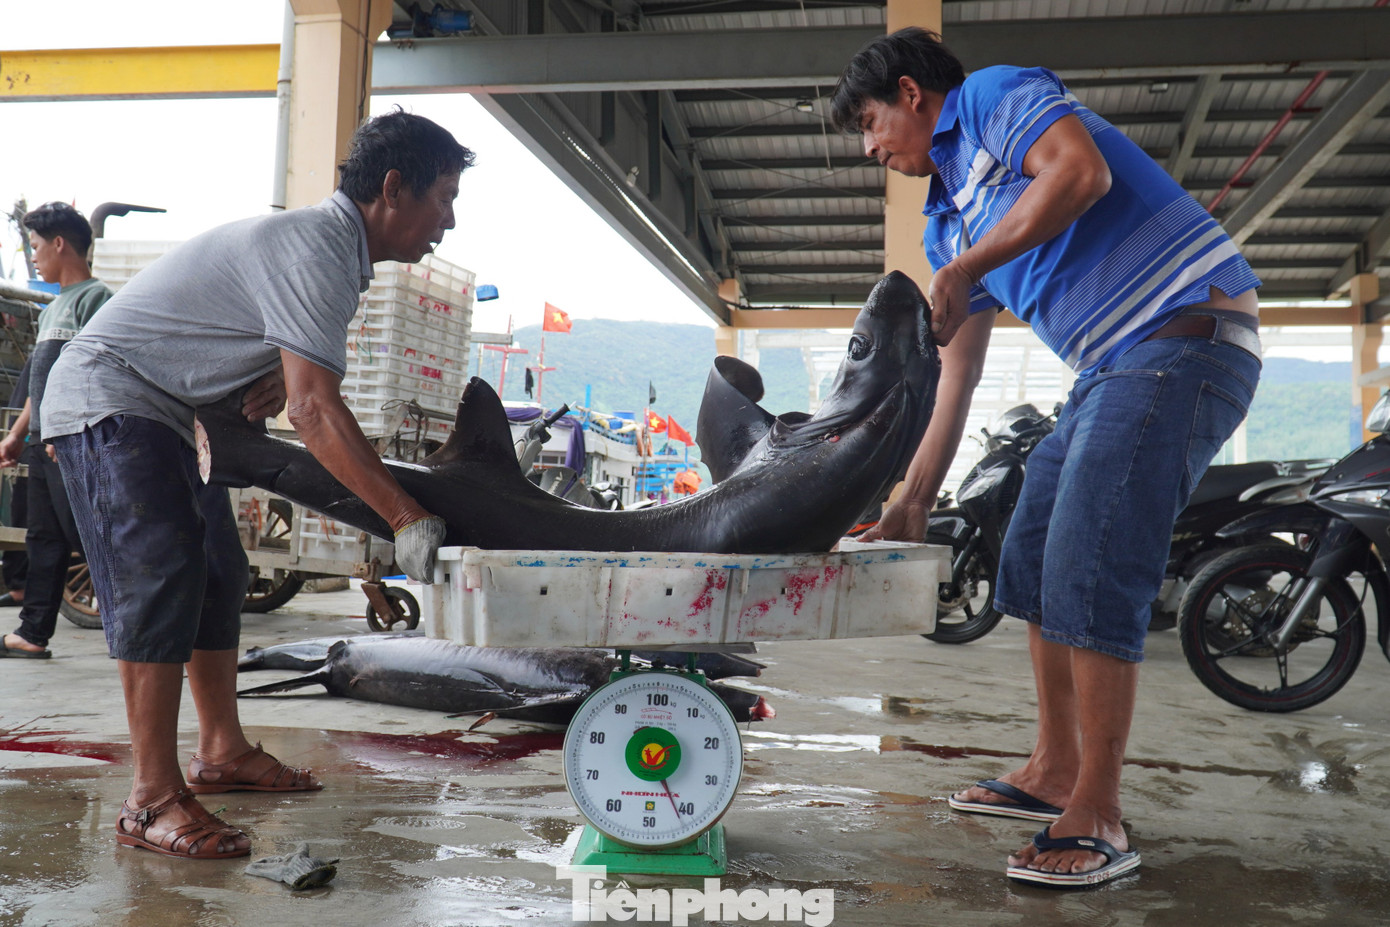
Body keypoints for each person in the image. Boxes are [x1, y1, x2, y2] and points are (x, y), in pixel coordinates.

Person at [835, 29, 1261, 888]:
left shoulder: (991, 98)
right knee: (1029, 551)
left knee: (1090, 558)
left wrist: (970, 266)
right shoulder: (946, 219)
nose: (871, 147)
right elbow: (958, 374)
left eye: (872, 123)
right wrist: (912, 501)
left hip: (1185, 334)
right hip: (1111, 368)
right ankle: (1055, 768)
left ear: (912, 93)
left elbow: (1079, 172)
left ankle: (1098, 808)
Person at [40, 109, 472, 860]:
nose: (451, 221)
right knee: (162, 574)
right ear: (392, 188)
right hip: (111, 397)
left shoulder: (337, 255)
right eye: (444, 198)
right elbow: (313, 410)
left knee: (219, 571)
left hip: (169, 411)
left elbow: (290, 381)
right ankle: (150, 797)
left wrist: (271, 368)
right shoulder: (317, 246)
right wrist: (405, 516)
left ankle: (222, 749)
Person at [0, 203, 113, 658]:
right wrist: (18, 435)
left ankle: (139, 631)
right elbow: (41, 386)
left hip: (70, 443)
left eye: (36, 246)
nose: (34, 256)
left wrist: (70, 433)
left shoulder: (96, 299)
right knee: (43, 538)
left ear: (60, 244)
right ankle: (32, 633)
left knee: (88, 535)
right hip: (43, 444)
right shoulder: (52, 310)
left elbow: (98, 374)